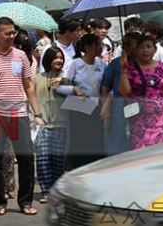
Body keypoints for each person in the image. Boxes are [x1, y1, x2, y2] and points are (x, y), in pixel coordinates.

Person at [0, 17, 45, 217]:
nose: (12, 36)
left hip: (20, 113)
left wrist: (37, 113)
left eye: (13, 32)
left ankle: (25, 201)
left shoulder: (21, 56)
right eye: (7, 33)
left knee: (26, 159)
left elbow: (29, 86)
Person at [119, 35, 163, 150]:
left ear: (155, 49)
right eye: (142, 47)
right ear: (136, 50)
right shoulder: (131, 68)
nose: (146, 50)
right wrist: (123, 71)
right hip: (141, 119)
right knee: (142, 155)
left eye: (149, 47)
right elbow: (125, 92)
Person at [57, 34, 107, 170]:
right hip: (79, 107)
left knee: (96, 141)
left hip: (96, 106)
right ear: (87, 47)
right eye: (97, 45)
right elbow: (59, 87)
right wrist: (74, 89)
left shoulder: (102, 64)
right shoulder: (75, 64)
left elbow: (107, 87)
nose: (100, 48)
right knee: (80, 141)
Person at [32, 47, 69, 203]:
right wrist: (34, 118)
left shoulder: (67, 78)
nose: (58, 60)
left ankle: (57, 190)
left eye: (61, 57)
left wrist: (64, 82)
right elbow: (30, 100)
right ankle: (45, 190)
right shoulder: (37, 78)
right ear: (48, 60)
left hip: (61, 125)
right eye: (55, 58)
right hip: (42, 125)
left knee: (58, 161)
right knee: (42, 160)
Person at [100, 33, 143, 156]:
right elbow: (105, 87)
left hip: (138, 103)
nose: (127, 48)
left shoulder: (143, 63)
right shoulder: (116, 63)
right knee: (118, 134)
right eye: (125, 45)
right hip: (119, 104)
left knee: (135, 134)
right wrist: (105, 107)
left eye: (131, 45)